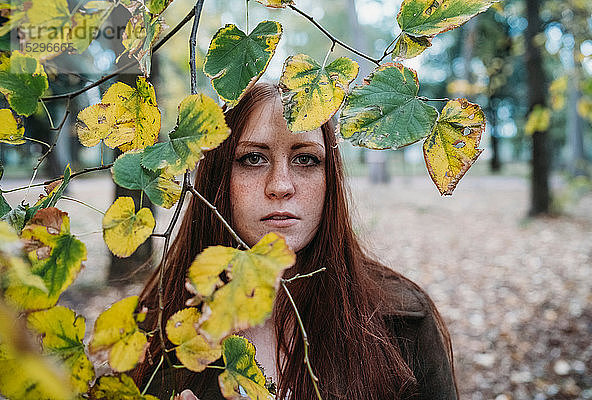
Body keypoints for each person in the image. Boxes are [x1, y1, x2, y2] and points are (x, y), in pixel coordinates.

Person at [131, 83, 458, 400]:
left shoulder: (400, 319)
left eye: (305, 159)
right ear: (219, 178)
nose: (281, 185)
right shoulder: (159, 328)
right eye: (253, 159)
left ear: (329, 179)